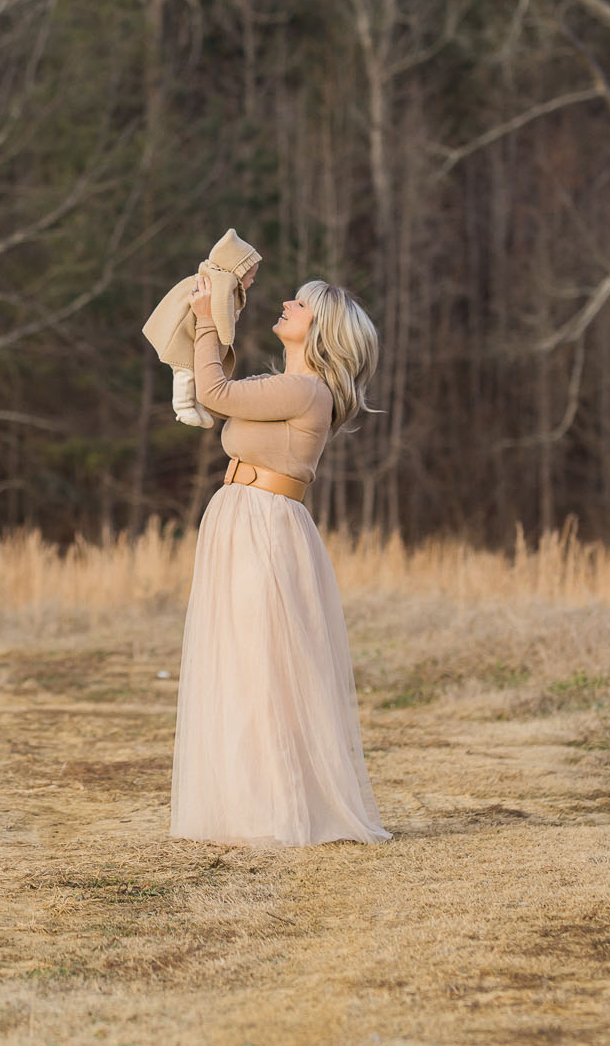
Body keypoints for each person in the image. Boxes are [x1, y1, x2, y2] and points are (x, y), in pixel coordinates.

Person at [168, 276, 392, 847]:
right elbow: (226, 390)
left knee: (262, 667)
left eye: (301, 303)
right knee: (242, 664)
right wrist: (217, 312)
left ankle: (275, 811)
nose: (288, 304)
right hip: (243, 519)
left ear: (320, 327)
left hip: (265, 526)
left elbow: (216, 395)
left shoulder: (307, 390)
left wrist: (210, 321)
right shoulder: (287, 384)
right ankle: (245, 806)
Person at [140, 229, 262, 429]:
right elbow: (222, 309)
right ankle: (183, 407)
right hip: (184, 333)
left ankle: (197, 404)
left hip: (191, 331)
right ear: (238, 270)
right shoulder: (224, 281)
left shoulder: (215, 276)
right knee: (185, 369)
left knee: (197, 369)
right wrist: (226, 335)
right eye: (251, 276)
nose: (252, 281)